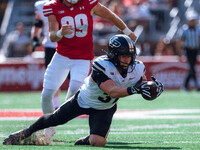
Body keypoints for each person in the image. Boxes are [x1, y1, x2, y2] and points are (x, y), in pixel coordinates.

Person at [3, 34, 163, 146]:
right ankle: (25, 132)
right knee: (55, 119)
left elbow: (143, 86)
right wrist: (136, 89)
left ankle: (86, 139)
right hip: (84, 100)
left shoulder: (138, 67)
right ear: (114, 55)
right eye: (123, 56)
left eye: (130, 55)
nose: (128, 59)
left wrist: (152, 88)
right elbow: (112, 91)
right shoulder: (102, 65)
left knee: (98, 142)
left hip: (105, 107)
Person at [39, 0, 137, 140]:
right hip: (61, 56)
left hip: (82, 58)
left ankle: (60, 115)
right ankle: (48, 128)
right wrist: (60, 32)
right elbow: (52, 35)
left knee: (74, 90)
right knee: (47, 94)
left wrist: (127, 31)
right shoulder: (52, 6)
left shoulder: (88, 3)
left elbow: (109, 15)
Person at [31, 0, 60, 110]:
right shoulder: (41, 5)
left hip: (67, 45)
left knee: (74, 76)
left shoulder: (67, 3)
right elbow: (38, 24)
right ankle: (56, 105)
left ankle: (79, 104)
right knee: (53, 77)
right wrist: (35, 40)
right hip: (50, 46)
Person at [176, 10, 200, 91]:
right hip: (188, 50)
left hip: (195, 50)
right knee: (192, 67)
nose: (192, 22)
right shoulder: (185, 29)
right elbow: (179, 41)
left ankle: (187, 86)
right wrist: (180, 53)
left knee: (192, 68)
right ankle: (196, 85)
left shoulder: (198, 29)